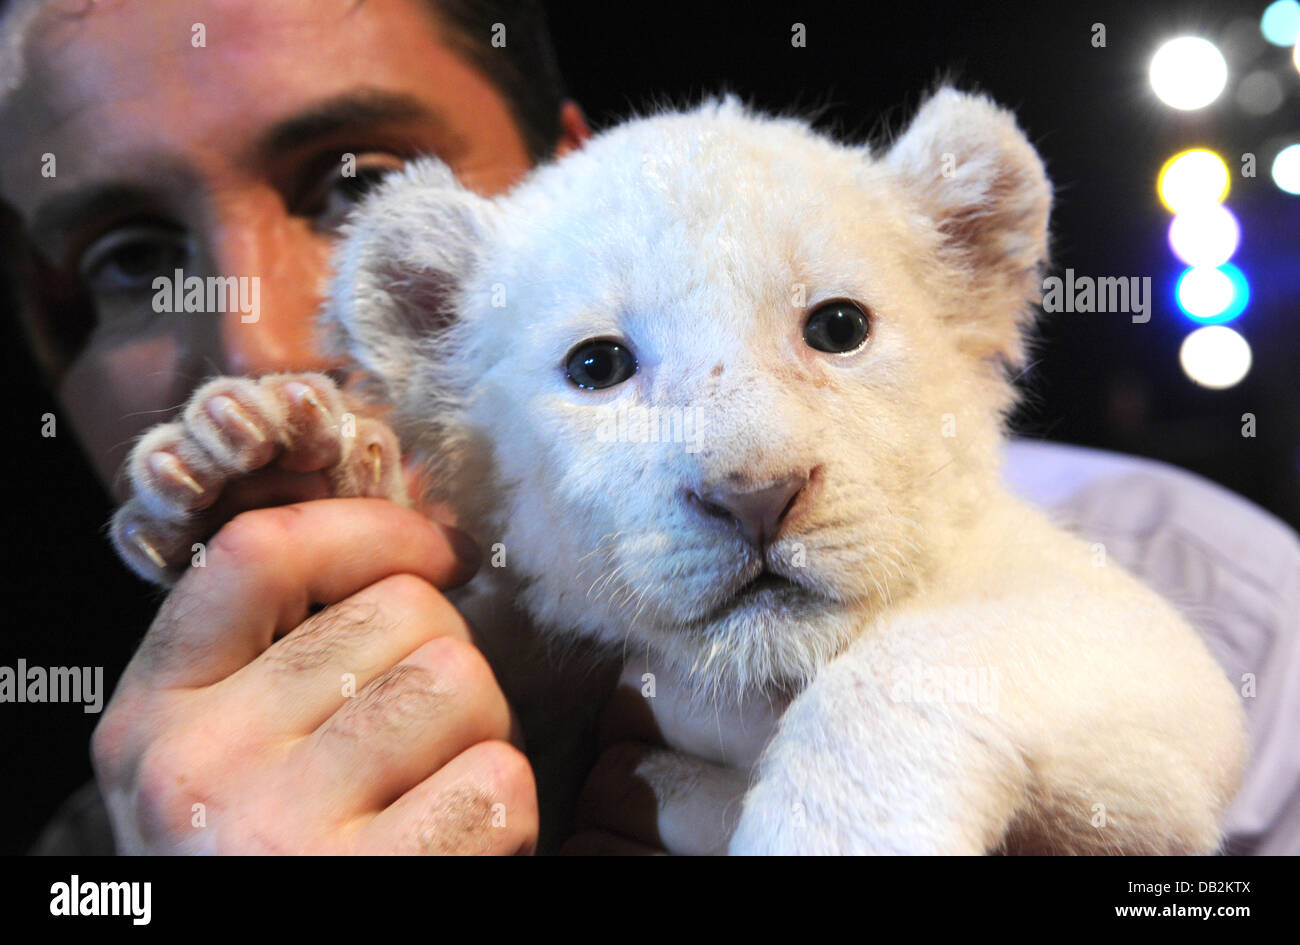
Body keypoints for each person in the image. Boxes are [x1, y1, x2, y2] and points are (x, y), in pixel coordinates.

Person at [2, 0, 1296, 855]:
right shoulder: (117, 831)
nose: (748, 463)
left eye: (837, 329)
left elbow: (1181, 742)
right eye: (604, 361)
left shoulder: (1219, 589)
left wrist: (900, 731)